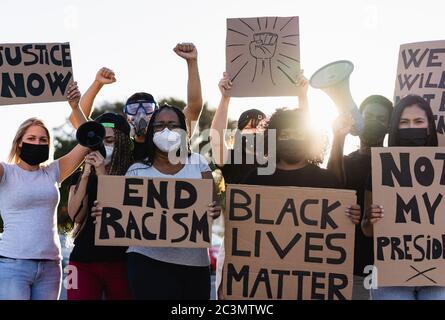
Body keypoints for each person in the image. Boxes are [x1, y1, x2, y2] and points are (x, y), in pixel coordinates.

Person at [216, 107, 361, 299]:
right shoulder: (256, 178)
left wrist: (351, 215)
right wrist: (228, 280)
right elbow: (241, 238)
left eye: (298, 134)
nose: (292, 139)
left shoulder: (326, 181)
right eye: (285, 134)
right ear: (273, 139)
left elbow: (340, 225)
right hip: (264, 288)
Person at [92, 104, 221, 300]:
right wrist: (104, 213)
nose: (166, 130)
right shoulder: (137, 170)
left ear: (183, 130)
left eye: (172, 124)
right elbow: (119, 210)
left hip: (194, 265)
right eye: (159, 125)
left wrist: (214, 209)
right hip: (146, 262)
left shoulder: (198, 162)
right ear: (151, 131)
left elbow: (211, 204)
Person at [0, 83, 89, 300]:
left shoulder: (53, 171)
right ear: (19, 143)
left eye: (43, 140)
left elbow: (88, 139)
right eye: (31, 139)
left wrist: (75, 107)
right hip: (14, 264)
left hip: (51, 265)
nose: (37, 143)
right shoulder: (6, 172)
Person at [362, 94, 445, 300]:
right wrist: (371, 218)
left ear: (429, 127)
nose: (411, 127)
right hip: (391, 277)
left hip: (439, 277)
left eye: (418, 121)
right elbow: (367, 231)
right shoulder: (380, 169)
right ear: (395, 128)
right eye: (404, 122)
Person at [77, 43, 204, 161]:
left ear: (157, 114)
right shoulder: (117, 144)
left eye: (148, 108)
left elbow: (194, 107)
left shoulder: (170, 141)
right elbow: (79, 119)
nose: (140, 113)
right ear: (126, 117)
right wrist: (97, 83)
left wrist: (192, 62)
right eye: (133, 109)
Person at [327, 95, 393, 299]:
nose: (374, 122)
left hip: (389, 267)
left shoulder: (397, 163)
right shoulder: (346, 162)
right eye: (369, 116)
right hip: (351, 264)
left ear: (389, 126)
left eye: (381, 119)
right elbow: (332, 185)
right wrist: (338, 137)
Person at [66, 113, 133, 300]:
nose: (104, 145)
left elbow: (117, 211)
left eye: (110, 140)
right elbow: (75, 216)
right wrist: (86, 175)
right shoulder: (82, 173)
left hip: (121, 261)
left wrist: (102, 171)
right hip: (83, 260)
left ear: (122, 143)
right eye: (100, 140)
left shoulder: (134, 172)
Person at [210, 71, 308, 184]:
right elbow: (216, 139)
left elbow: (303, 135)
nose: (254, 131)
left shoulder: (278, 159)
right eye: (249, 127)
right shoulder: (231, 159)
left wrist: (302, 96)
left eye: (259, 127)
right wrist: (225, 98)